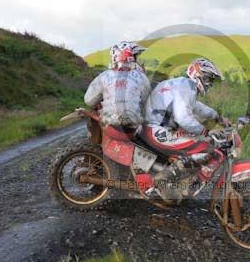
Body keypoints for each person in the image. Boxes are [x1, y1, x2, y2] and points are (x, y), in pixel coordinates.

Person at [142, 58, 226, 193]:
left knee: (197, 140)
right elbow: (183, 118)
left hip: (156, 127)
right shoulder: (186, 86)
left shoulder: (183, 84)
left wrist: (217, 117)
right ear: (197, 75)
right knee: (204, 147)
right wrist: (206, 132)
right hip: (158, 130)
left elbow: (196, 107)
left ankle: (180, 180)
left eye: (210, 80)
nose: (209, 83)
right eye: (207, 79)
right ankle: (164, 178)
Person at [84, 41, 150, 131]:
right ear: (130, 57)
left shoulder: (104, 76)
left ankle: (97, 139)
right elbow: (145, 100)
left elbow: (88, 100)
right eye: (135, 57)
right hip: (134, 126)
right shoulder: (141, 77)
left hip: (110, 125)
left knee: (96, 104)